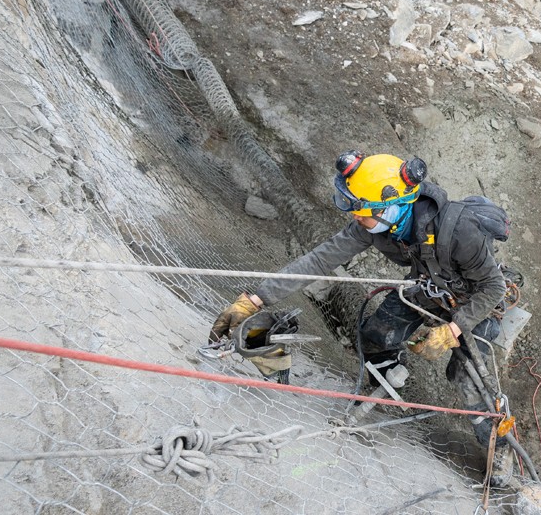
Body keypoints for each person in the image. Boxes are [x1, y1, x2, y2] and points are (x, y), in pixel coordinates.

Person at [207, 150, 510, 440]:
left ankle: (499, 455)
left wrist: (452, 331)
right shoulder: (374, 226)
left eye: (362, 214)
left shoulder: (460, 232)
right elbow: (320, 260)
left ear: (392, 207)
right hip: (427, 288)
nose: (356, 219)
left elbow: (494, 287)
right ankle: (387, 388)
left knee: (466, 376)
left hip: (475, 300)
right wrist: (256, 299)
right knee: (375, 335)